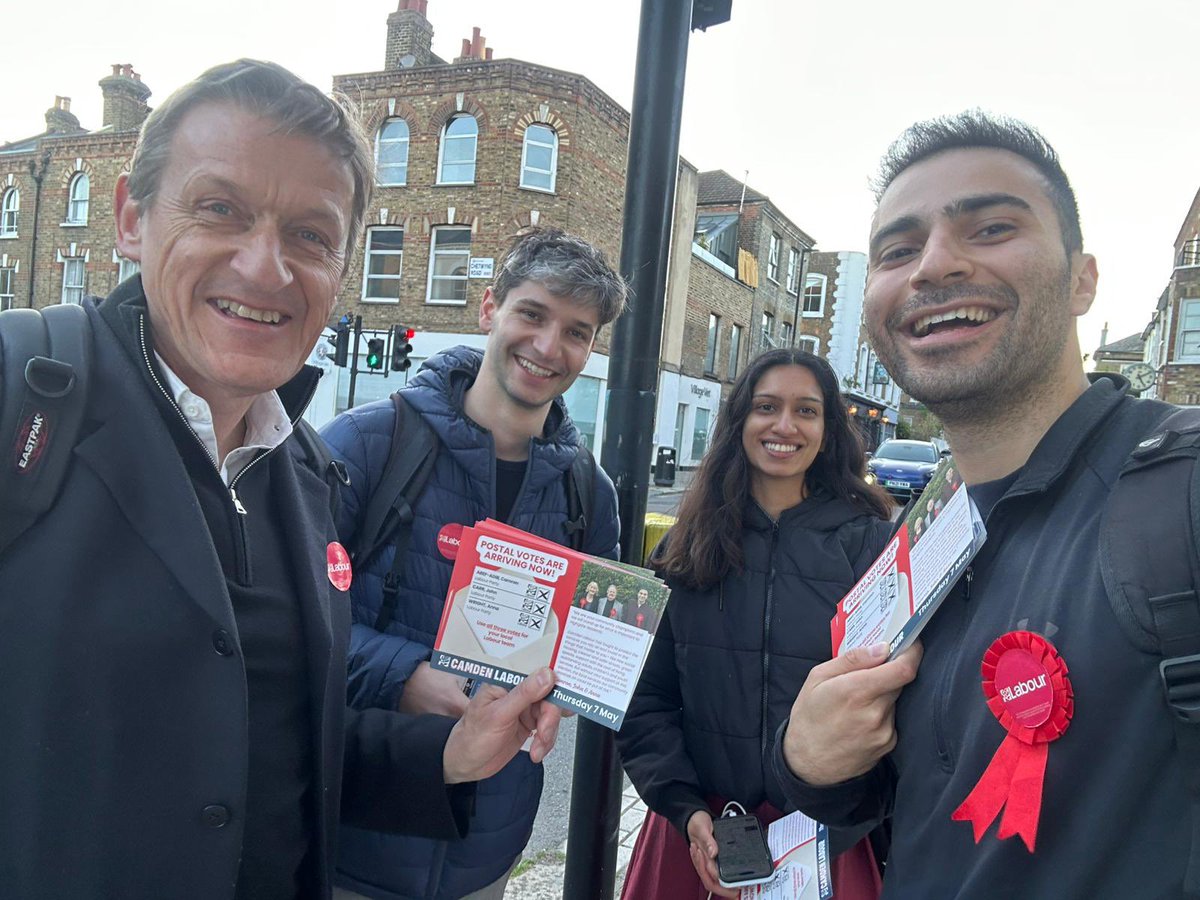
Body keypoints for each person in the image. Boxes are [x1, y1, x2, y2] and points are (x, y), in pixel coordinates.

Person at [0, 59, 565, 900]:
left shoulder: (305, 471)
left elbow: (283, 745)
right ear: (130, 217)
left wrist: (450, 753)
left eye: (310, 234)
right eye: (220, 209)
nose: (266, 269)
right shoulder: (19, 391)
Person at [775, 111, 1195, 897]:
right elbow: (903, 796)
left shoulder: (1184, 487)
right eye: (897, 250)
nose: (933, 265)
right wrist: (807, 760)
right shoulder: (911, 541)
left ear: (1083, 280)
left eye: (992, 227)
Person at [320, 227, 625, 900]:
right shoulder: (366, 444)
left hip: (487, 845)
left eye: (576, 331)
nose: (549, 347)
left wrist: (562, 693)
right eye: (533, 314)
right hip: (352, 832)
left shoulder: (588, 494)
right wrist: (405, 677)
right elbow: (286, 618)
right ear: (490, 309)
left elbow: (582, 652)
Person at [617, 348, 895, 899]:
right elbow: (645, 701)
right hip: (699, 835)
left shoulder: (871, 547)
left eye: (806, 410)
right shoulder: (685, 547)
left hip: (827, 838)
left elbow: (893, 707)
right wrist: (685, 810)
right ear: (740, 419)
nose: (784, 426)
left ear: (828, 427)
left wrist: (846, 815)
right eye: (767, 406)